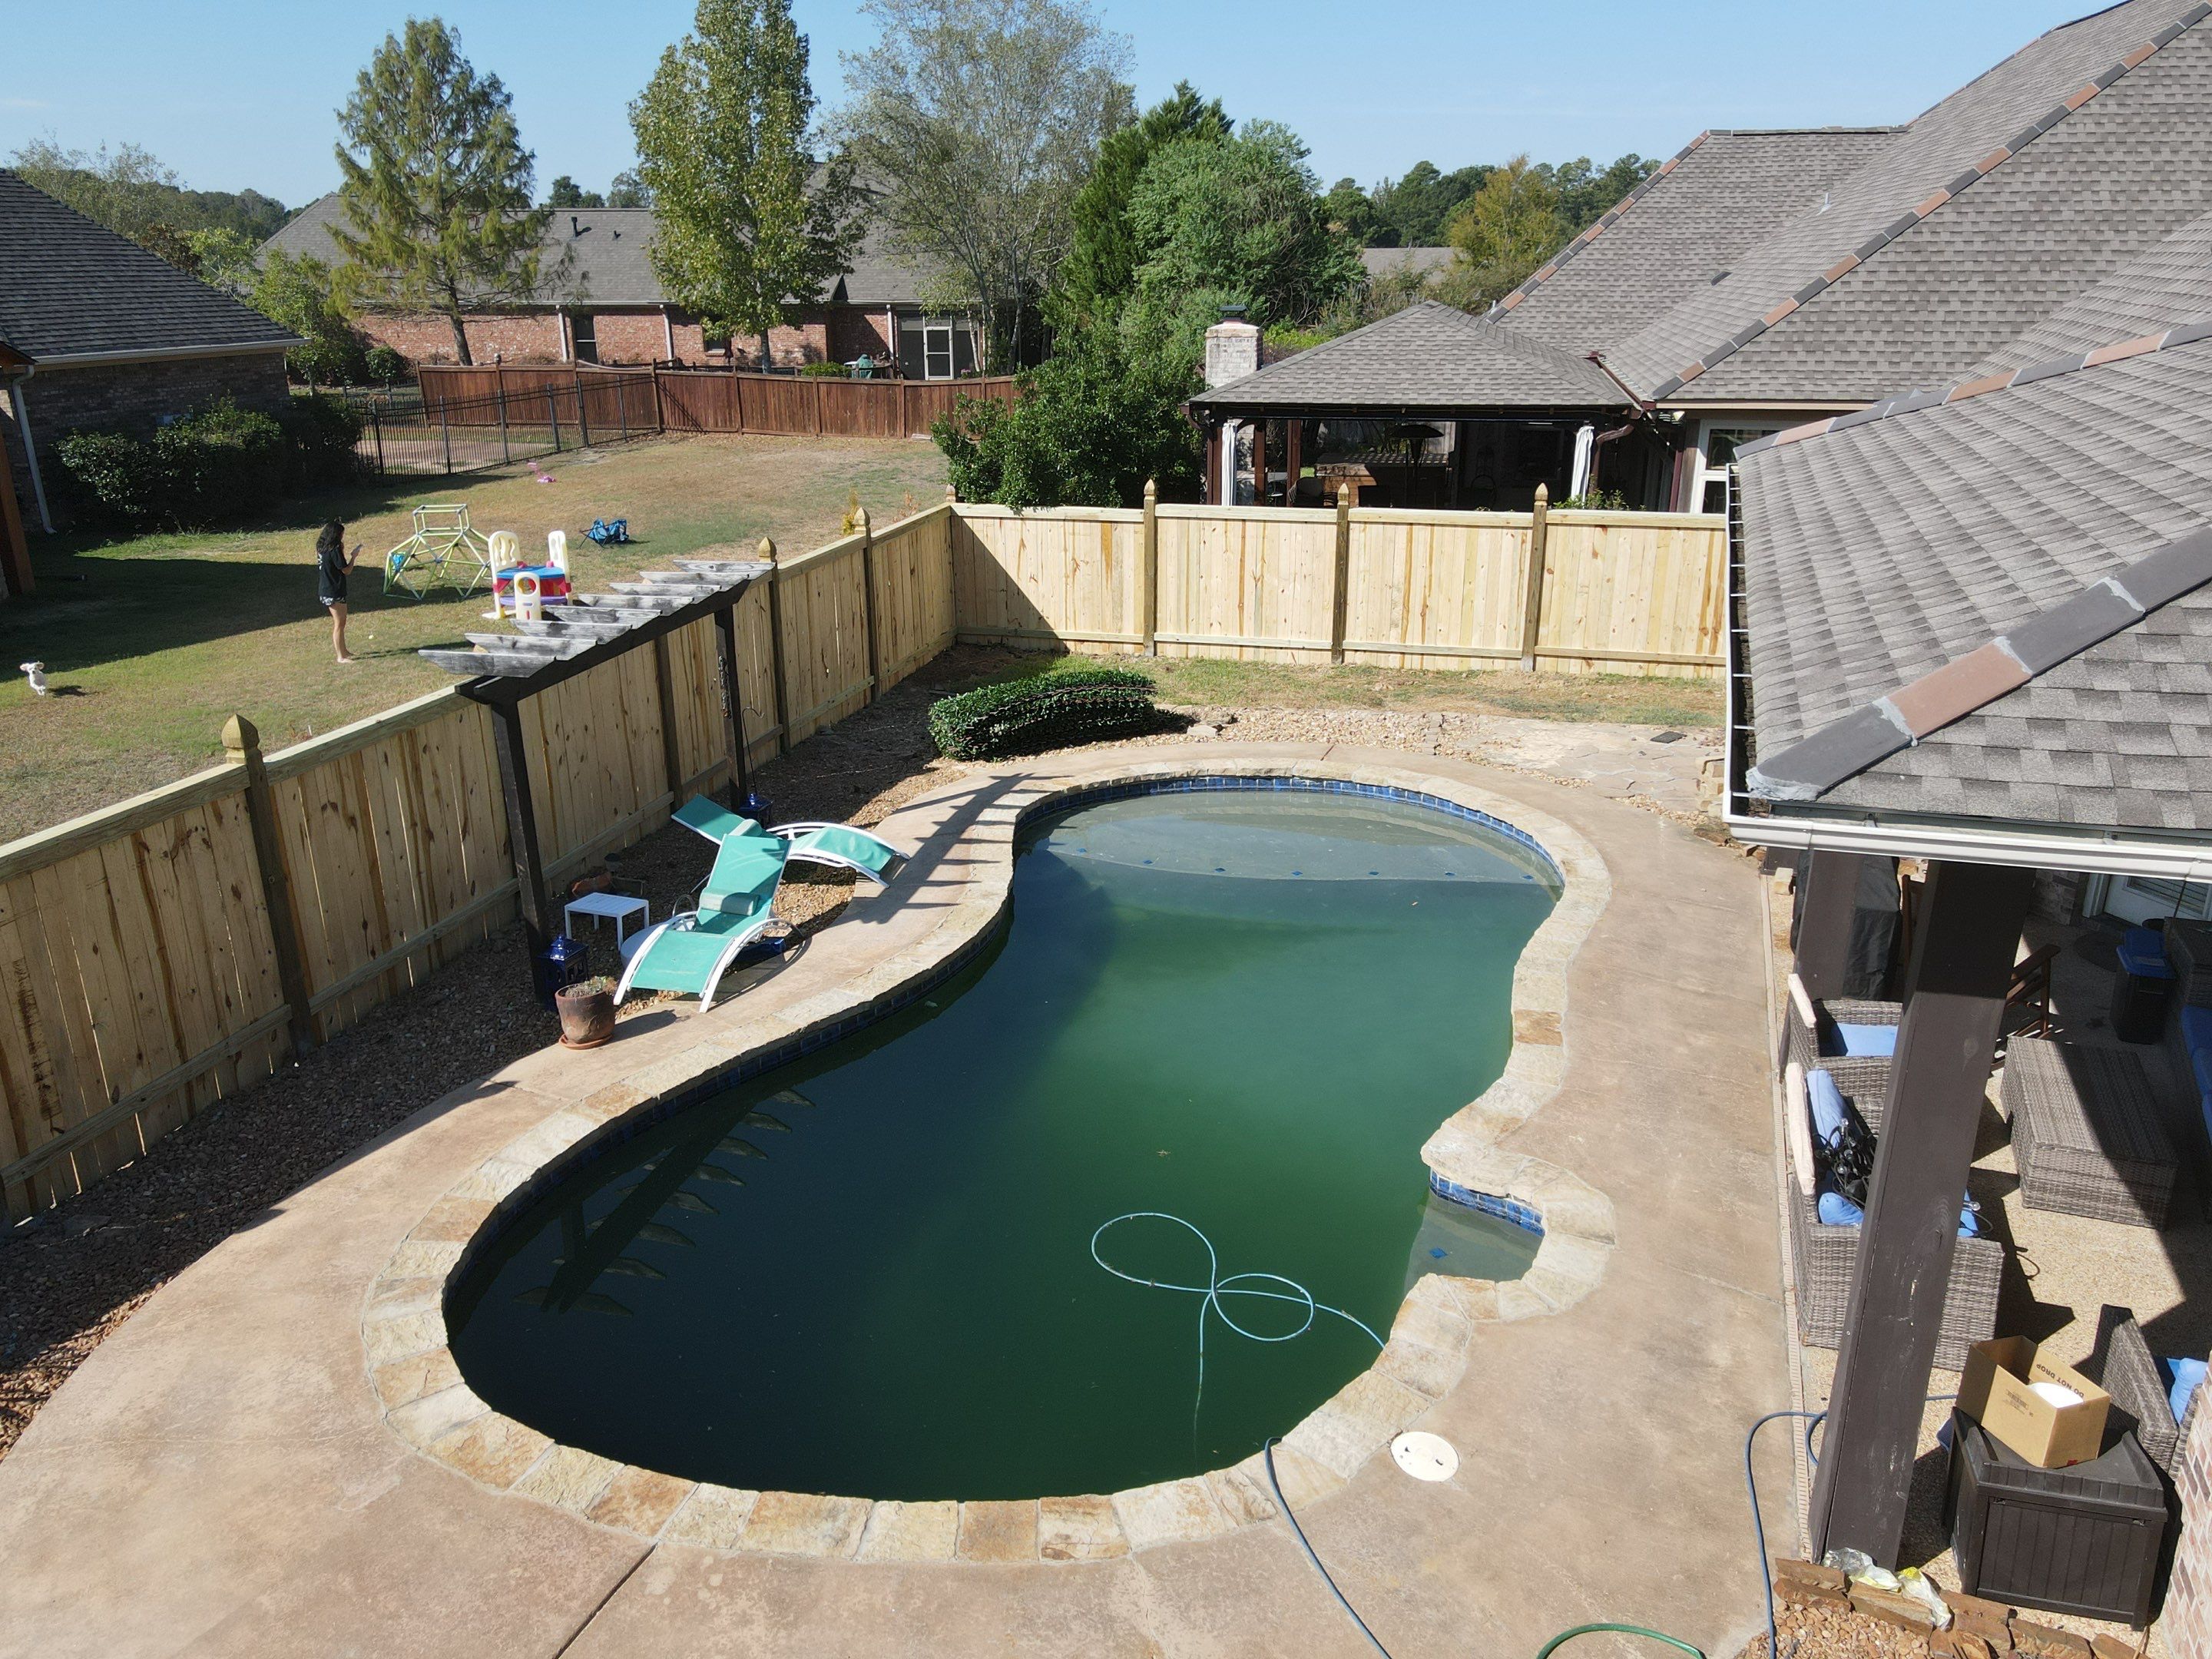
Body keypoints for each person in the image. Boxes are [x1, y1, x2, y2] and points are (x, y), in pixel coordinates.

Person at [316, 520, 364, 663]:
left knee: (342, 622)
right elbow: (346, 570)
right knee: (339, 624)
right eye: (341, 534)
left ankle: (344, 651)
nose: (342, 537)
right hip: (333, 590)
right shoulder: (334, 549)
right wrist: (354, 556)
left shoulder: (321, 547)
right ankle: (341, 657)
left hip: (326, 588)